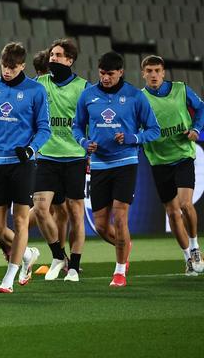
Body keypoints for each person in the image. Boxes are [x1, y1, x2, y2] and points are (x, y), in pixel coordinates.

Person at [72, 51, 160, 287]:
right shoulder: (88, 95)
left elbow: (154, 130)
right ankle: (125, 246)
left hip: (125, 163)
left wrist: (132, 138)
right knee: (101, 226)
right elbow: (77, 127)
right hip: (99, 165)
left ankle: (120, 271)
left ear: (120, 72)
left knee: (120, 219)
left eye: (110, 74)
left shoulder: (134, 96)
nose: (105, 78)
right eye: (102, 73)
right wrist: (83, 143)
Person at [0, 42, 50, 293]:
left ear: (22, 66)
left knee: (20, 221)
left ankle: (10, 275)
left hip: (23, 164)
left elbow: (44, 128)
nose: (7, 71)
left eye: (12, 67)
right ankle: (27, 253)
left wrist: (31, 149)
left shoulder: (35, 91)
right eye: (4, 67)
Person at [31, 38, 89, 282]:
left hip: (74, 157)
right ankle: (58, 254)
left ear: (69, 60)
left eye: (57, 55)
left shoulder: (84, 87)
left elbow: (92, 120)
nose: (53, 59)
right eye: (51, 55)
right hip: (47, 156)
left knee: (76, 213)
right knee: (42, 209)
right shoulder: (39, 83)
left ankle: (74, 267)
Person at [140, 55, 204, 275]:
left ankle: (195, 247)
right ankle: (187, 258)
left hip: (183, 155)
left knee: (185, 205)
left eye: (157, 70)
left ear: (164, 72)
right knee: (172, 212)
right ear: (143, 74)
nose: (153, 75)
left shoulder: (181, 89)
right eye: (149, 71)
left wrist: (196, 129)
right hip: (159, 161)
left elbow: (201, 108)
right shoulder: (140, 99)